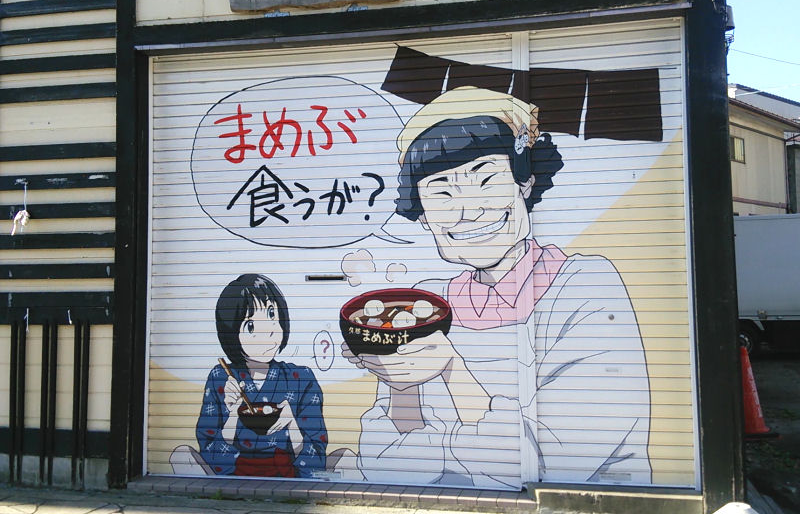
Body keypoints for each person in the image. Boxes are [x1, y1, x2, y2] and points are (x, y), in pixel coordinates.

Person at [346, 86, 652, 488]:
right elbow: (391, 466)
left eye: (487, 179)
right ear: (422, 214)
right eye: (442, 191)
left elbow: (551, 462)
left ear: (525, 183)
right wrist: (401, 384)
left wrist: (451, 370)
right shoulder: (427, 301)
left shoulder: (585, 285)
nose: (469, 209)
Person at [176, 274, 327, 478]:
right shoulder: (221, 378)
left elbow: (317, 460)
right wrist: (232, 416)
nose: (269, 332)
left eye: (272, 314)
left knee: (346, 456)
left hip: (289, 472)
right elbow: (209, 451)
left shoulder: (301, 378)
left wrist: (292, 424)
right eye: (251, 326)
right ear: (231, 332)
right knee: (181, 454)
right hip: (234, 473)